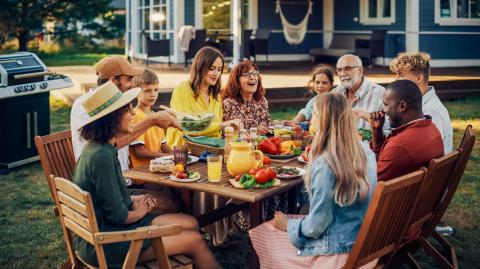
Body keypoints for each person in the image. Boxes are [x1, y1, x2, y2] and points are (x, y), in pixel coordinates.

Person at [73, 81, 221, 269]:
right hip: (106, 242)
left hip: (105, 229)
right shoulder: (101, 156)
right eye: (127, 110)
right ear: (112, 118)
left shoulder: (100, 147)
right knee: (194, 240)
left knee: (191, 222)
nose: (133, 114)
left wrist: (137, 200)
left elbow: (109, 198)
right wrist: (142, 210)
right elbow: (119, 216)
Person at [249, 93, 377, 269]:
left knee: (265, 231)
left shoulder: (325, 164)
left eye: (314, 115)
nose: (310, 119)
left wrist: (288, 225)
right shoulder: (366, 151)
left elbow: (316, 225)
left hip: (336, 251)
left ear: (324, 121)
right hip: (363, 245)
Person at [70, 55, 179, 213]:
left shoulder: (115, 103)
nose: (133, 83)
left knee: (178, 190)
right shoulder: (86, 106)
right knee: (173, 202)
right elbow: (111, 144)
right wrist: (152, 121)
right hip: (107, 190)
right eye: (129, 79)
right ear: (113, 82)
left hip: (124, 181)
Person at [166, 47, 242, 147]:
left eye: (219, 70)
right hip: (183, 152)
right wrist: (223, 125)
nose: (216, 74)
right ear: (200, 67)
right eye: (212, 68)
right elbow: (187, 126)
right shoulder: (182, 89)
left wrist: (235, 132)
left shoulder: (215, 96)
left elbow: (216, 134)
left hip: (210, 151)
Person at [369, 80, 444, 181]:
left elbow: (371, 183)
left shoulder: (398, 147)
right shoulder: (432, 129)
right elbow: (382, 156)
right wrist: (376, 130)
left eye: (386, 104)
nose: (383, 110)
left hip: (390, 195)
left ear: (402, 106)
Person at [390, 52, 453, 154]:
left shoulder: (430, 111)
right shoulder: (417, 103)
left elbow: (426, 150)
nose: (396, 79)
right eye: (396, 75)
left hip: (423, 168)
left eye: (401, 75)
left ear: (419, 78)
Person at [129, 69, 172, 168]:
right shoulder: (136, 116)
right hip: (142, 174)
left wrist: (177, 155)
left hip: (157, 169)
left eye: (156, 90)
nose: (153, 94)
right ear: (136, 92)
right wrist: (166, 156)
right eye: (147, 90)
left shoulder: (155, 115)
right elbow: (140, 152)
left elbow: (163, 145)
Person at [333, 54, 386, 130]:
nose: (342, 74)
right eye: (339, 70)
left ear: (360, 70)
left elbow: (388, 131)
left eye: (347, 68)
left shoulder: (381, 93)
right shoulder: (335, 93)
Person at [222, 61, 271, 134]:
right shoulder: (229, 103)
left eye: (254, 74)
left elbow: (268, 128)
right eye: (247, 74)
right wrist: (253, 132)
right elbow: (227, 134)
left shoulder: (262, 101)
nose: (252, 78)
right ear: (236, 81)